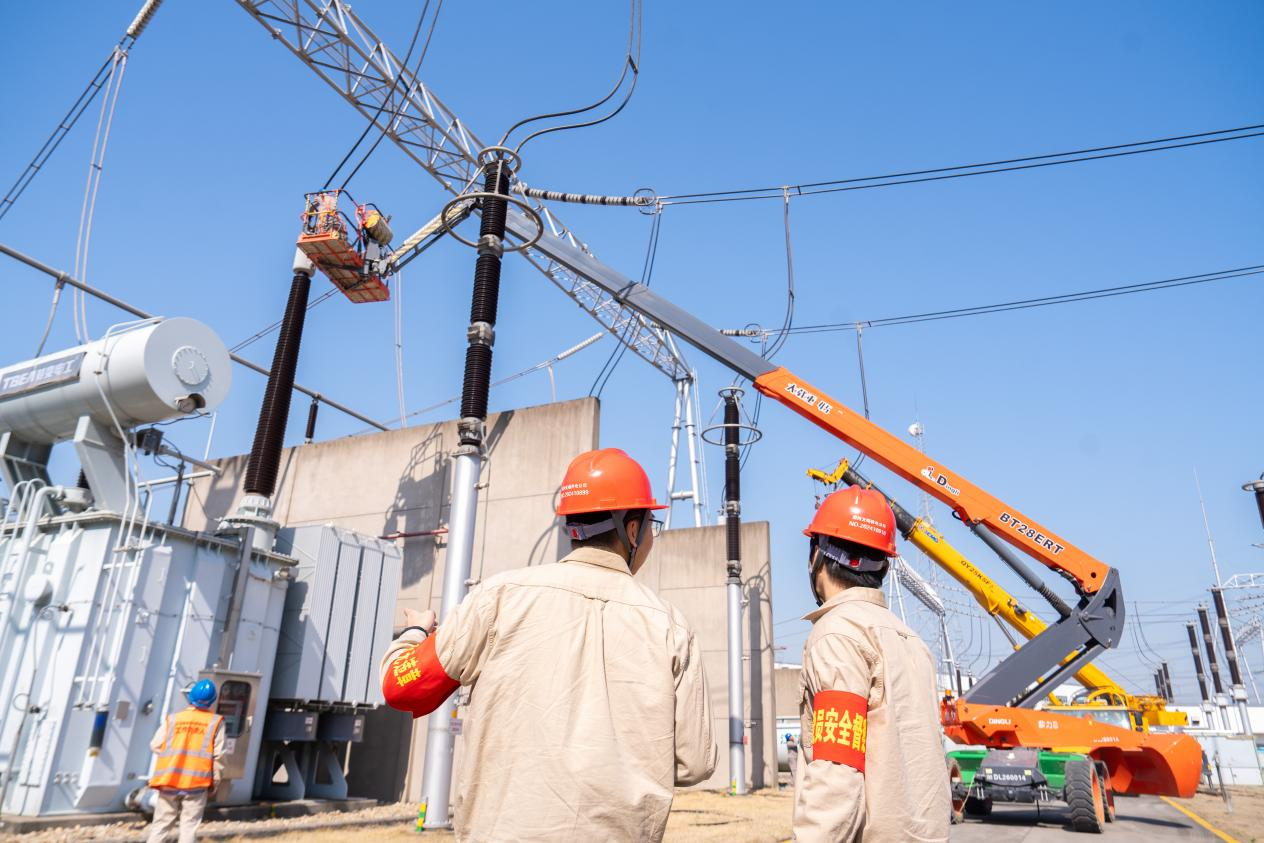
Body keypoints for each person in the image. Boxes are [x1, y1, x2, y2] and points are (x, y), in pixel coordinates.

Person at [380, 448, 716, 842]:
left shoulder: (498, 598)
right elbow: (695, 762)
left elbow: (402, 687)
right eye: (650, 526)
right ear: (632, 529)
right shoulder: (670, 627)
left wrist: (415, 632)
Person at [793, 485, 950, 843]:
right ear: (884, 564)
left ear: (817, 554)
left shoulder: (837, 634)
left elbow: (837, 772)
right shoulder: (910, 640)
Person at [147, 679, 225, 843]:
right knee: (189, 825)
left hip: (169, 779)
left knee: (161, 824)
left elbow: (155, 745)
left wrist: (175, 756)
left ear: (191, 697)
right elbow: (218, 756)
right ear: (212, 701)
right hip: (197, 782)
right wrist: (215, 782)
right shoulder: (215, 722)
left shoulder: (173, 719)